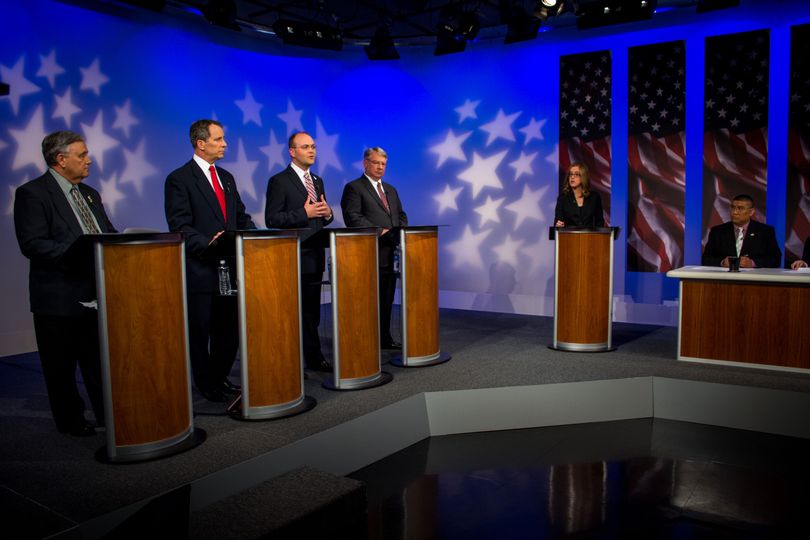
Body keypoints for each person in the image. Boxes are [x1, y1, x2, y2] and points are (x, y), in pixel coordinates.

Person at [13, 131, 117, 436]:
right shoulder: (33, 193)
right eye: (82, 155)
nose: (89, 160)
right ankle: (71, 423)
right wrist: (80, 254)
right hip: (58, 298)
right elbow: (32, 243)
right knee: (61, 369)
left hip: (95, 294)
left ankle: (107, 416)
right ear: (61, 159)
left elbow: (106, 232)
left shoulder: (90, 194)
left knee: (98, 364)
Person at [165, 119, 256, 402]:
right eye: (218, 139)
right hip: (200, 269)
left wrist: (255, 238)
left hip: (229, 268)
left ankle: (219, 377)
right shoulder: (179, 179)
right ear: (201, 143)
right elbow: (180, 224)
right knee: (201, 331)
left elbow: (240, 217)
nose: (225, 144)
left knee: (229, 329)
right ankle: (206, 383)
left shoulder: (226, 178)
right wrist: (207, 243)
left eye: (223, 138)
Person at [265, 132, 334, 372]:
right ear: (292, 152)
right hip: (293, 255)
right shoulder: (279, 181)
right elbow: (272, 219)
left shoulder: (317, 180)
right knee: (297, 313)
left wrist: (327, 214)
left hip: (315, 255)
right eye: (305, 147)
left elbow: (322, 218)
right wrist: (304, 214)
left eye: (313, 146)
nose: (312, 151)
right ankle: (299, 361)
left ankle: (312, 358)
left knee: (312, 312)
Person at [341, 147, 408, 350]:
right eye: (376, 163)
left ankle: (384, 338)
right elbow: (353, 218)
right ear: (365, 163)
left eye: (383, 164)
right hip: (369, 254)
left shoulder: (391, 189)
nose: (380, 167)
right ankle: (366, 340)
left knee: (387, 299)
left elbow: (401, 215)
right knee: (369, 302)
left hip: (391, 255)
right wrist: (381, 232)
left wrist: (399, 232)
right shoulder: (354, 188)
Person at [701, 194, 782, 268]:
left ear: (751, 212)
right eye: (733, 207)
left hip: (753, 279)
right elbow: (706, 259)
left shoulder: (765, 231)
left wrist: (752, 263)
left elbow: (775, 259)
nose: (735, 212)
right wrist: (722, 262)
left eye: (740, 208)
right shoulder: (717, 231)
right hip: (725, 279)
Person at [554, 163, 605, 227]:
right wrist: (558, 225)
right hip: (569, 236)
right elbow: (557, 221)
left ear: (583, 177)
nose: (572, 177)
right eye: (570, 174)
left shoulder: (594, 197)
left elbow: (599, 222)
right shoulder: (563, 198)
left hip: (589, 236)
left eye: (576, 174)